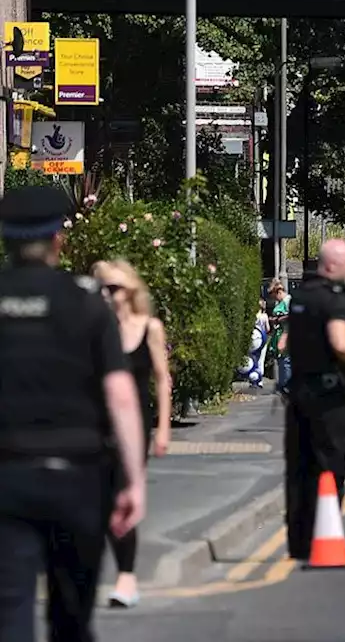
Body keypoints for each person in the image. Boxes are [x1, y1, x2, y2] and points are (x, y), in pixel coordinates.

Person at [0, 185, 146, 641]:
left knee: (9, 611)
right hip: (78, 478)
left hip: (5, 476)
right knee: (71, 616)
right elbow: (121, 395)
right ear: (59, 239)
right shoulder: (86, 301)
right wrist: (133, 481)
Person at [283, 239, 345, 561]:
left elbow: (287, 344)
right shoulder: (334, 300)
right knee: (330, 465)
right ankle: (327, 535)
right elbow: (340, 344)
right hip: (327, 395)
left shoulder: (301, 296)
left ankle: (299, 542)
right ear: (332, 265)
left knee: (299, 467)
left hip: (297, 392)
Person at [92, 259, 172, 609]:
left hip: (134, 427)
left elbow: (161, 378)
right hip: (94, 423)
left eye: (113, 289)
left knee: (122, 495)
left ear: (130, 291)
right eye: (100, 289)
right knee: (95, 498)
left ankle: (126, 576)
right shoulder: (94, 329)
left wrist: (163, 429)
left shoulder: (149, 327)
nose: (106, 296)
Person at [267, 278, 292, 396]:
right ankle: (283, 384)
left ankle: (287, 385)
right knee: (281, 359)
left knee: (286, 360)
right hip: (279, 333)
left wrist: (278, 319)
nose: (274, 299)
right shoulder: (282, 303)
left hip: (286, 334)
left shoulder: (288, 301)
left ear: (279, 292)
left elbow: (291, 316)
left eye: (274, 295)